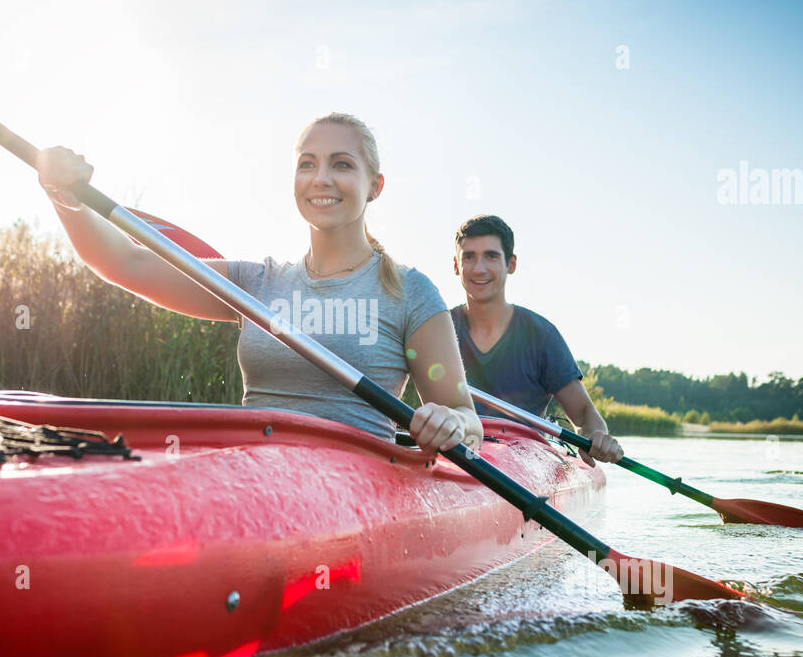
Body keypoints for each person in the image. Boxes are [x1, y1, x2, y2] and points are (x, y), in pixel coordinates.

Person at [36, 113, 483, 454]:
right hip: (254, 483)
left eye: (341, 164)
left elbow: (469, 420)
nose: (321, 178)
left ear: (375, 186)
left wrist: (450, 422)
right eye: (307, 164)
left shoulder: (411, 293)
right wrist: (67, 200)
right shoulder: (254, 284)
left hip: (356, 496)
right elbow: (125, 263)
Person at [451, 214, 623, 466]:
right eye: (469, 257)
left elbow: (586, 416)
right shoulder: (436, 327)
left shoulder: (540, 335)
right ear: (456, 265)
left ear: (511, 264)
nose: (479, 268)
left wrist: (595, 436)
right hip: (453, 455)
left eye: (491, 256)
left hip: (525, 466)